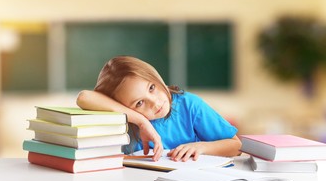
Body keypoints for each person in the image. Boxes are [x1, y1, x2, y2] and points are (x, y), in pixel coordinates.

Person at [76, 56, 241, 162]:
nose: (155, 103)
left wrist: (202, 147)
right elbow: (84, 97)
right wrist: (141, 122)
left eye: (152, 88)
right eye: (139, 103)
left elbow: (236, 146)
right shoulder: (124, 121)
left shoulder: (188, 105)